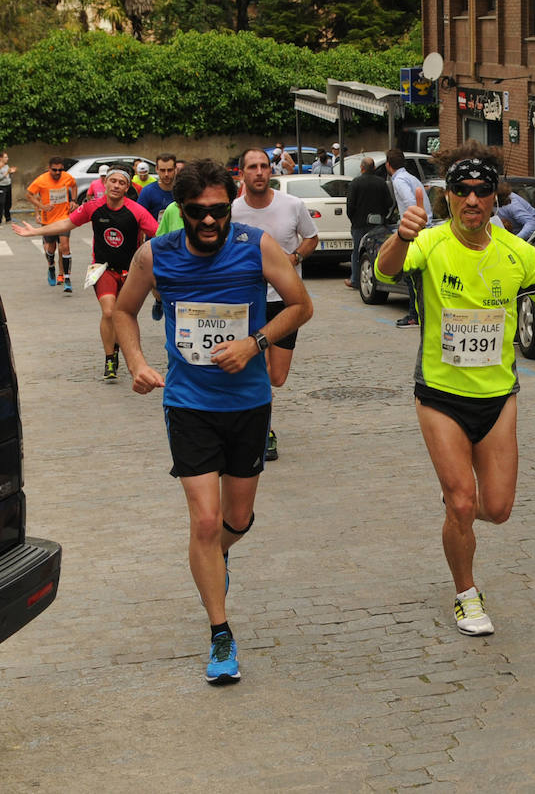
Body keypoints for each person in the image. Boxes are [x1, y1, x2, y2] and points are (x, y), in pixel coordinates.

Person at [112, 158, 313, 685]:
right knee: (204, 521)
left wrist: (255, 343)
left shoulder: (257, 246)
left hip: (247, 405)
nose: (208, 221)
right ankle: (221, 632)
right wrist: (135, 361)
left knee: (236, 520)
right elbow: (123, 311)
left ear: (232, 205)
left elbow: (301, 305)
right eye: (197, 212)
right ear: (181, 210)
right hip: (188, 404)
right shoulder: (155, 255)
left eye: (218, 211)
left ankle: (215, 555)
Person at [376, 141, 535, 637]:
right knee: (463, 500)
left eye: (482, 191)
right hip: (440, 394)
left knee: (498, 510)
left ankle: (456, 517)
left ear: (495, 198)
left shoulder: (517, 252)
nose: (471, 200)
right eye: (461, 191)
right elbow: (385, 270)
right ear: (447, 198)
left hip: (498, 397)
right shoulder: (430, 242)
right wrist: (400, 235)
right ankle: (466, 592)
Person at [13, 164, 158, 380]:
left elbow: (159, 235)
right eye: (113, 181)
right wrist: (36, 231)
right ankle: (110, 359)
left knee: (125, 316)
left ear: (127, 187)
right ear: (105, 182)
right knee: (109, 311)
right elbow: (66, 223)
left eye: (121, 183)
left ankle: (120, 350)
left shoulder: (136, 211)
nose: (116, 186)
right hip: (102, 269)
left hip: (131, 272)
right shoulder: (93, 207)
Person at [231, 148, 318, 461]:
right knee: (253, 365)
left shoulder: (292, 204)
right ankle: (262, 428)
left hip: (285, 302)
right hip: (246, 303)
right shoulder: (232, 210)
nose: (259, 172)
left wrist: (294, 257)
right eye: (252, 167)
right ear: (242, 172)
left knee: (276, 376)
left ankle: (254, 412)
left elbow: (311, 238)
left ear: (272, 171)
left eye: (264, 166)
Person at [385, 148, 433, 328]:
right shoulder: (412, 177)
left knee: (410, 275)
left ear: (388, 165)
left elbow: (409, 202)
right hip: (424, 226)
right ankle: (418, 313)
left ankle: (414, 315)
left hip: (415, 230)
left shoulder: (398, 180)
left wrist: (410, 223)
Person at [25, 157, 78, 293]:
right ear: (49, 169)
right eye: (54, 170)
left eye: (60, 170)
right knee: (50, 248)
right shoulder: (41, 180)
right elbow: (29, 195)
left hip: (64, 217)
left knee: (65, 246)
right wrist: (42, 206)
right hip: (48, 220)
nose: (58, 172)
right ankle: (51, 266)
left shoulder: (67, 177)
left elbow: (74, 185)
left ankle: (67, 279)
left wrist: (73, 200)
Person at [345, 156, 393, 289]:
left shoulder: (355, 183)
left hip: (359, 224)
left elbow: (350, 205)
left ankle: (355, 279)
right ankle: (378, 278)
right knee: (377, 251)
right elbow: (389, 203)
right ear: (374, 168)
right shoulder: (381, 183)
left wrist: (353, 219)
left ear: (361, 168)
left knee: (357, 252)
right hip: (378, 224)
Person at [137, 153, 177, 222]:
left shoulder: (183, 191)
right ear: (157, 169)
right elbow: (139, 217)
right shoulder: (147, 192)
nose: (166, 174)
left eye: (170, 170)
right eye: (162, 170)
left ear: (175, 169)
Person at [0, 150, 17, 223]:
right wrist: (7, 172)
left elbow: (8, 176)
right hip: (1, 187)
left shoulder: (7, 166)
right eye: (5, 157)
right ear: (1, 158)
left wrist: (11, 172)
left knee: (8, 202)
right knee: (1, 203)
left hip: (8, 186)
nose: (7, 158)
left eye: (7, 157)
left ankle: (8, 218)